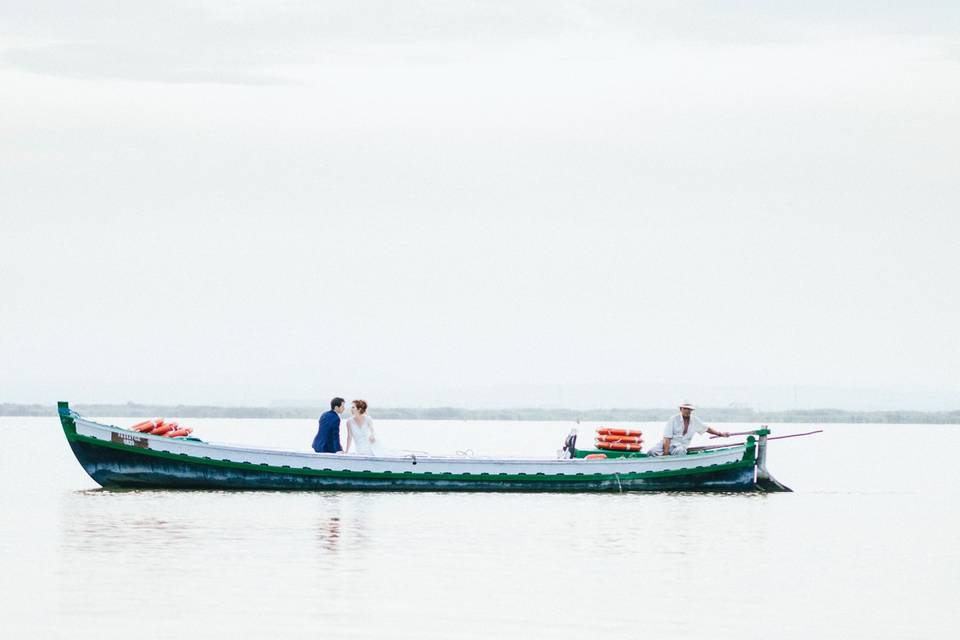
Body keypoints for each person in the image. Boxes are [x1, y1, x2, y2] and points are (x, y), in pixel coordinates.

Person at [647, 403, 730, 456]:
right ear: (681, 409)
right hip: (667, 444)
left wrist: (720, 434)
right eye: (685, 408)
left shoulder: (695, 420)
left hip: (680, 446)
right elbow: (666, 438)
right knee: (651, 451)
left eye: (689, 409)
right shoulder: (673, 419)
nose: (688, 411)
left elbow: (707, 429)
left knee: (680, 451)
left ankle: (676, 469)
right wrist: (665, 454)